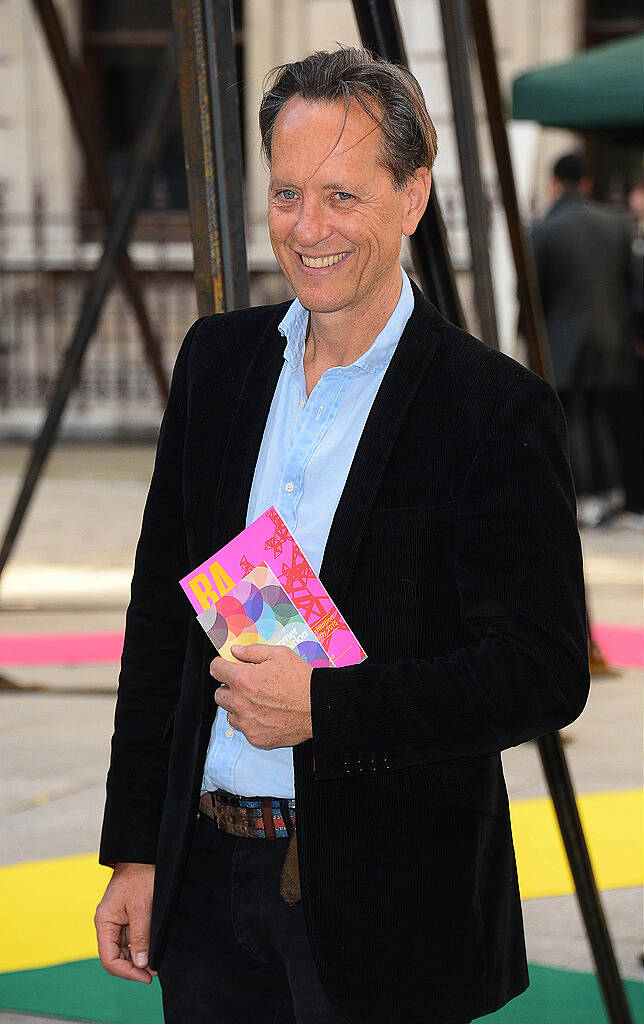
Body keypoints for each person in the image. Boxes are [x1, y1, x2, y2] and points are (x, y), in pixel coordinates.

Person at [95, 48, 589, 1024]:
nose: (306, 229)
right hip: (204, 885)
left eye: (340, 195)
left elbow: (538, 670)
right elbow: (161, 620)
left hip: (390, 907)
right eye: (285, 193)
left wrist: (328, 706)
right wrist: (136, 849)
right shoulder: (216, 363)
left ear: (412, 195)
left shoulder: (490, 408)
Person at [530, 152, 634, 527]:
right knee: (595, 415)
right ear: (587, 181)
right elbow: (633, 287)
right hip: (611, 338)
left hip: (562, 339)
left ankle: (584, 496)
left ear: (555, 182)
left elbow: (531, 294)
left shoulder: (545, 230)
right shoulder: (617, 224)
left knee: (570, 417)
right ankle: (612, 493)